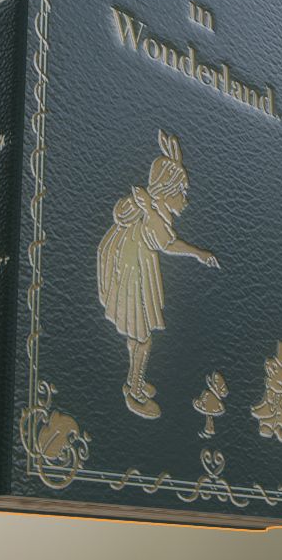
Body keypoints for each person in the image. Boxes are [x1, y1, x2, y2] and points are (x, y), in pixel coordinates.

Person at [97, 130, 220, 419]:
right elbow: (169, 244)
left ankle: (135, 380)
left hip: (131, 274)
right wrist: (199, 253)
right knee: (144, 339)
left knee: (136, 335)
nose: (185, 200)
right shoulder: (152, 215)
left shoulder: (149, 209)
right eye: (182, 192)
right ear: (167, 191)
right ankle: (134, 389)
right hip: (134, 281)